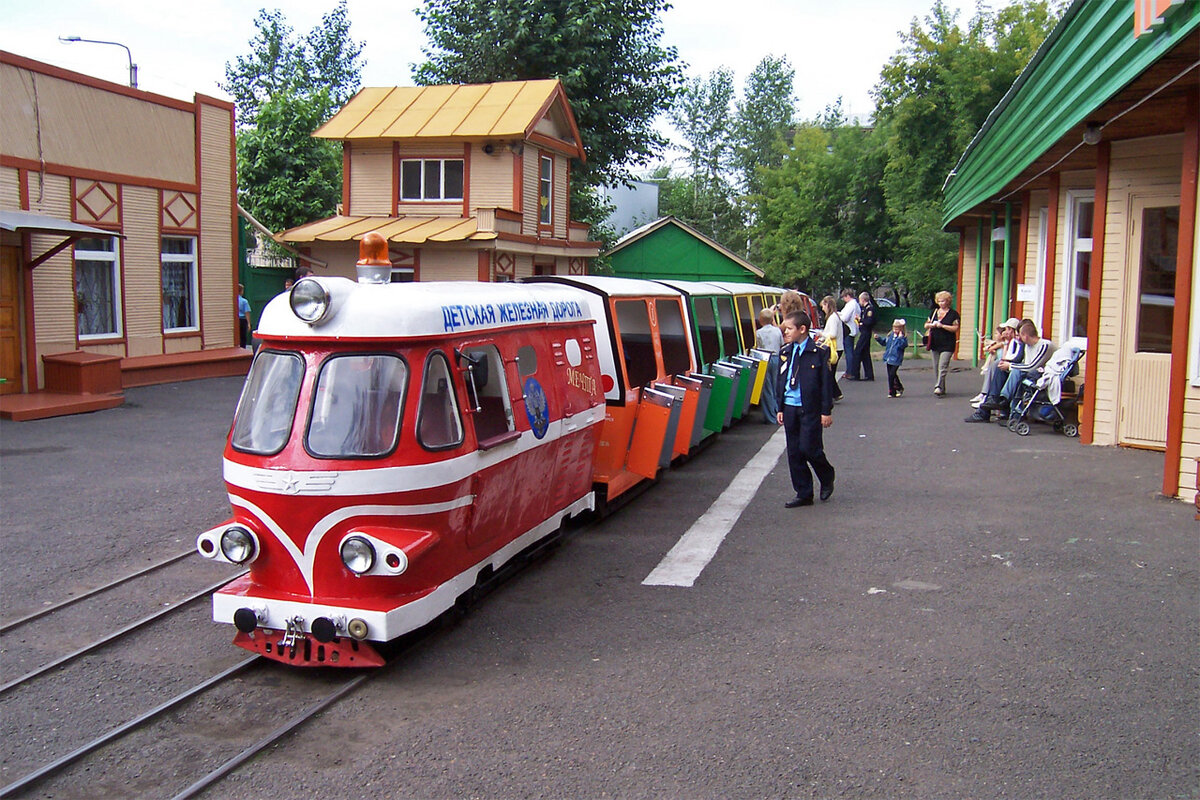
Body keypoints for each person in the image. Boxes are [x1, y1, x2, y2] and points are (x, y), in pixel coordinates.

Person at [775, 311, 835, 507]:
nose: (786, 332)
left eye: (789, 329)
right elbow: (781, 380)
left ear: (802, 329)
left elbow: (826, 384)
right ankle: (803, 492)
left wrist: (826, 411)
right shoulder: (785, 351)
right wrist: (780, 407)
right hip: (790, 406)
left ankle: (826, 475)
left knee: (810, 448)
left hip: (810, 408)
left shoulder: (818, 352)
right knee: (794, 452)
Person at [965, 320, 1054, 423]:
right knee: (1000, 368)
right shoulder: (1027, 346)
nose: (1017, 338)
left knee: (1015, 371)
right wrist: (1007, 365)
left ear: (1025, 335)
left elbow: (1032, 366)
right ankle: (991, 401)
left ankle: (1003, 399)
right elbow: (1022, 362)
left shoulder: (1045, 345)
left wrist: (1010, 366)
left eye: (1019, 335)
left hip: (1040, 375)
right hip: (1027, 373)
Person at [923, 291, 960, 396]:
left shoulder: (953, 314)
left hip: (947, 343)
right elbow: (926, 324)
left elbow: (955, 328)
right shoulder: (934, 312)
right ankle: (941, 388)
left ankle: (938, 386)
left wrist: (942, 326)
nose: (941, 303)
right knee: (936, 366)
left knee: (942, 366)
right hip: (934, 342)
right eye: (939, 301)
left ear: (948, 301)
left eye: (943, 301)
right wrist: (932, 325)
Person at [754, 308, 783, 424]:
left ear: (760, 320)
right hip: (776, 358)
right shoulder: (777, 331)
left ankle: (771, 416)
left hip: (764, 359)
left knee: (767, 388)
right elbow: (782, 344)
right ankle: (778, 411)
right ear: (772, 319)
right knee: (776, 385)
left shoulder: (759, 332)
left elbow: (759, 346)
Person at [817, 296, 845, 401]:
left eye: (823, 306)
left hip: (834, 348)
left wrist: (822, 334)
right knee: (830, 373)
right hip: (837, 347)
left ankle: (831, 395)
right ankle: (836, 393)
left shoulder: (833, 318)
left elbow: (832, 334)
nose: (823, 309)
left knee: (829, 373)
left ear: (827, 305)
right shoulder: (835, 316)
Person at [875, 318, 908, 398]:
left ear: (901, 329)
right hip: (888, 358)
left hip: (896, 359)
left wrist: (900, 338)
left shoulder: (903, 337)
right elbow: (884, 342)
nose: (895, 330)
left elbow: (902, 346)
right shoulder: (890, 336)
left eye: (897, 328)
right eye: (894, 328)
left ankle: (893, 390)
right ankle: (896, 388)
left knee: (892, 374)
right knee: (891, 375)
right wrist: (878, 338)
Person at [848, 291, 877, 381]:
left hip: (866, 333)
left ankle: (855, 374)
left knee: (857, 352)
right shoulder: (865, 309)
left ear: (863, 300)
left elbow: (869, 321)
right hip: (864, 332)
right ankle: (869, 375)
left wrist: (860, 320)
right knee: (865, 354)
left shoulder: (870, 309)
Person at [838, 289, 860, 379]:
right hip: (852, 329)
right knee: (849, 351)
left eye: (844, 297)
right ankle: (851, 370)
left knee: (849, 352)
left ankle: (850, 371)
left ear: (847, 296)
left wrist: (838, 315)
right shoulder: (855, 304)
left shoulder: (851, 305)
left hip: (848, 330)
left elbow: (845, 318)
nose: (843, 299)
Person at [237, 284, 251, 348]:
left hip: (236, 320)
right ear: (241, 291)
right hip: (242, 320)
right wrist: (248, 323)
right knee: (243, 337)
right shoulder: (244, 301)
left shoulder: (233, 300)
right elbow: (247, 312)